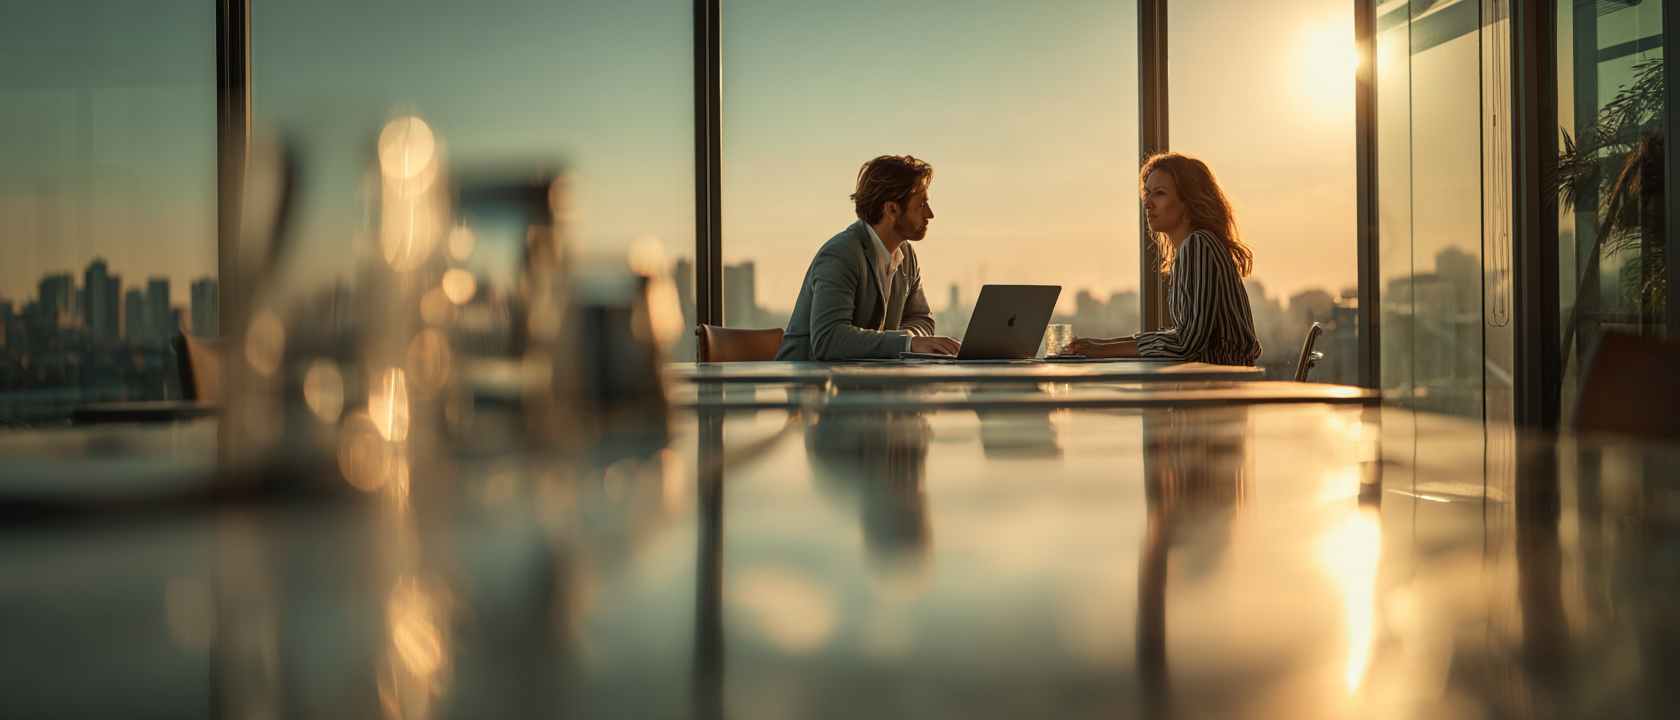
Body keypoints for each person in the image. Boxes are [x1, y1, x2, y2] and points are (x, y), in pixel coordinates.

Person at [1068, 152, 1262, 365]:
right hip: (1209, 382)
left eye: (1159, 194)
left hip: (1223, 386)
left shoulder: (1199, 245)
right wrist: (1100, 346)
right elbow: (1186, 335)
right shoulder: (1192, 249)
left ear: (1188, 201)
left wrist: (1101, 350)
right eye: (1147, 194)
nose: (1148, 204)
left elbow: (1187, 342)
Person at [774, 155, 962, 361]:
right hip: (806, 386)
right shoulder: (840, 255)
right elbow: (829, 340)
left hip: (859, 383)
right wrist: (907, 343)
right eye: (922, 204)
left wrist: (910, 340)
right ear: (891, 209)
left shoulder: (906, 255)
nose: (930, 214)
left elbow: (921, 319)